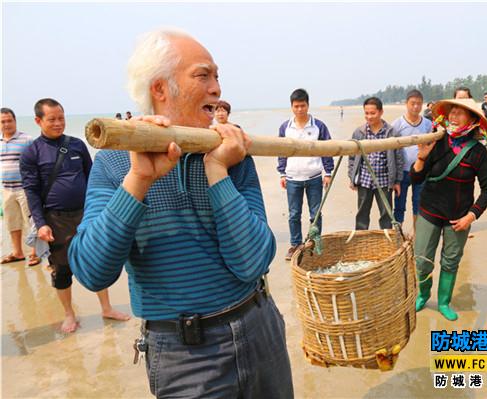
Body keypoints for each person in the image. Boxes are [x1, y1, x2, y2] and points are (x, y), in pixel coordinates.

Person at [68, 30, 293, 397]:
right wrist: (139, 179)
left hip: (260, 330)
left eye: (217, 76)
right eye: (203, 76)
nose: (216, 88)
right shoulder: (114, 161)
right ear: (161, 89)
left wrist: (217, 171)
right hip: (184, 356)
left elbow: (252, 262)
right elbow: (92, 272)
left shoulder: (233, 156)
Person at [20, 98, 130, 333]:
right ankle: (69, 315)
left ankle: (107, 308)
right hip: (55, 218)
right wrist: (40, 224)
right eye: (52, 119)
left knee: (98, 258)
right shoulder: (31, 152)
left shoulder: (77, 145)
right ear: (38, 121)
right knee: (61, 268)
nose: (58, 123)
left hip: (86, 212)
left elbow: (95, 179)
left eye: (61, 118)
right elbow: (30, 190)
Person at [412, 99, 487, 321]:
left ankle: (444, 302)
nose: (454, 117)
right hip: (429, 211)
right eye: (452, 112)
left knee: (450, 261)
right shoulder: (436, 142)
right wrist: (421, 158)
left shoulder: (478, 152)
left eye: (460, 113)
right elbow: (416, 178)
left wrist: (471, 216)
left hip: (459, 217)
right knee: (421, 260)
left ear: (473, 120)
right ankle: (423, 294)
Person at [277, 88, 333, 260]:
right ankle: (295, 244)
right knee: (294, 213)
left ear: (308, 105)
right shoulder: (285, 127)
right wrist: (282, 173)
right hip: (293, 178)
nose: (299, 109)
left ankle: (315, 242)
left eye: (302, 106)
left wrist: (328, 172)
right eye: (296, 106)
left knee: (315, 213)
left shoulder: (319, 126)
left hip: (314, 176)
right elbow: (281, 150)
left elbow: (327, 149)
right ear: (291, 107)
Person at [348, 97, 404, 230]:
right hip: (364, 180)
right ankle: (360, 241)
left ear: (381, 112)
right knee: (362, 214)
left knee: (386, 214)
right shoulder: (359, 132)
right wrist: (352, 177)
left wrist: (397, 181)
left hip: (384, 181)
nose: (369, 116)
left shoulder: (391, 132)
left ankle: (386, 243)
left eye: (373, 113)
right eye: (366, 113)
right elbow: (351, 157)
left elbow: (399, 158)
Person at [1, 107, 40, 266]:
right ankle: (17, 252)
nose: (6, 124)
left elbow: (37, 163)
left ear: (15, 121)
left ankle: (35, 252)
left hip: (25, 189)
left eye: (9, 120)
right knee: (12, 222)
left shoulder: (27, 140)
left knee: (32, 221)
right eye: (2, 121)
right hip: (6, 190)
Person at [391, 90, 432, 233]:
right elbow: (392, 149)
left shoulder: (427, 124)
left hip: (420, 171)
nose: (415, 107)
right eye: (412, 103)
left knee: (418, 203)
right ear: (406, 104)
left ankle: (417, 234)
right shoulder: (397, 124)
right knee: (399, 204)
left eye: (419, 104)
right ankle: (398, 233)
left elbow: (431, 145)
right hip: (401, 173)